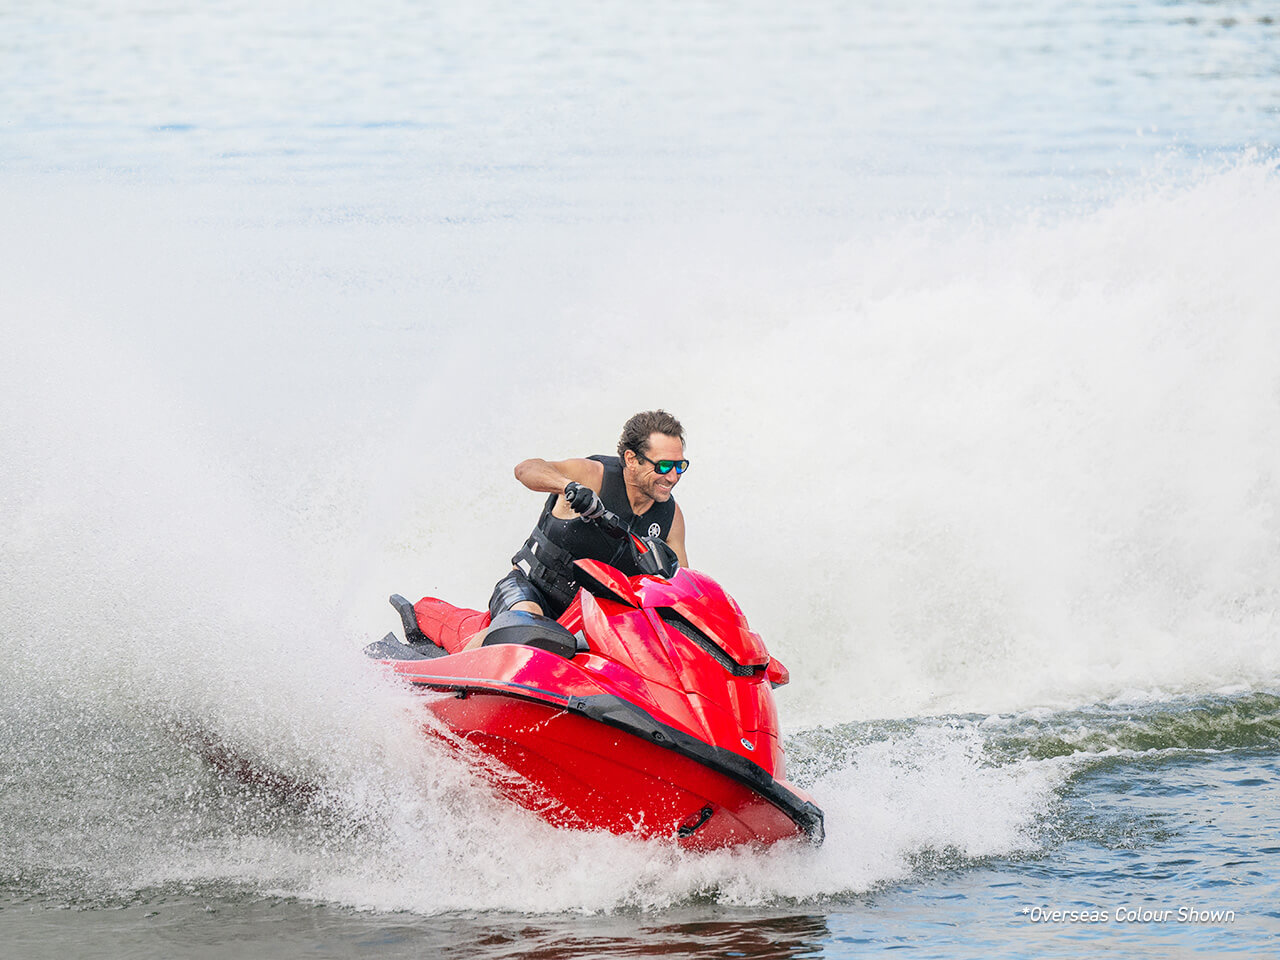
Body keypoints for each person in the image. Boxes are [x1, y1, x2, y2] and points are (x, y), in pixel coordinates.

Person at [470, 410, 689, 645]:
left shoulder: (671, 518)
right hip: (532, 591)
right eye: (664, 466)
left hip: (592, 621)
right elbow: (525, 469)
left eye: (680, 466)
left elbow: (682, 592)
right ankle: (461, 663)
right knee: (529, 626)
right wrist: (569, 487)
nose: (673, 477)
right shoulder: (592, 476)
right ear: (631, 459)